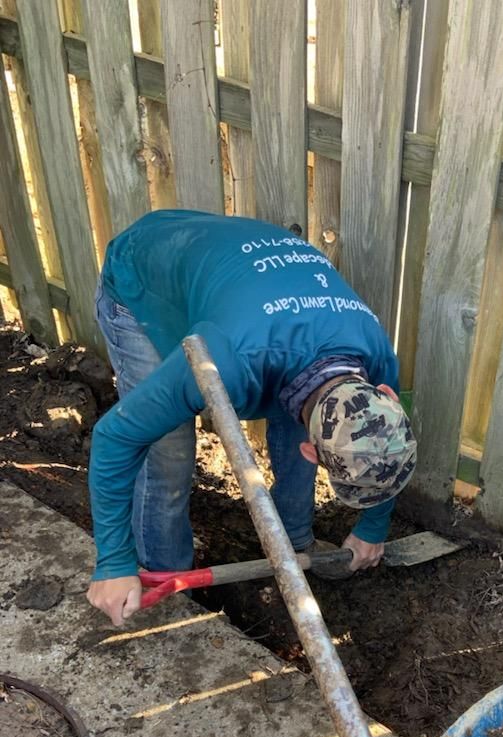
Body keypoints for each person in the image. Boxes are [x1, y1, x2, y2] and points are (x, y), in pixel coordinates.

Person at [86, 210, 417, 627]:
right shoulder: (223, 361)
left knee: (309, 410)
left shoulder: (375, 357)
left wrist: (373, 527)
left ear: (386, 396)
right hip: (143, 277)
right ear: (311, 453)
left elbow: (382, 449)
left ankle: (296, 542)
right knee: (167, 450)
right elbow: (116, 437)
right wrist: (113, 562)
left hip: (243, 283)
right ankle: (166, 577)